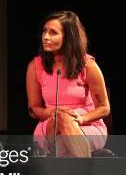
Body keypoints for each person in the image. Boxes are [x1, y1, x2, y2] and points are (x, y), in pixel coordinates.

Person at [26, 11, 109, 157]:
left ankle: (62, 166)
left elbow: (104, 108)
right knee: (61, 119)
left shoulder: (88, 66)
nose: (45, 37)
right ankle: (85, 169)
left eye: (53, 33)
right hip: (50, 125)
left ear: (69, 37)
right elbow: (34, 108)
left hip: (86, 125)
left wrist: (81, 118)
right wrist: (52, 113)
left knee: (64, 130)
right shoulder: (35, 66)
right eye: (45, 31)